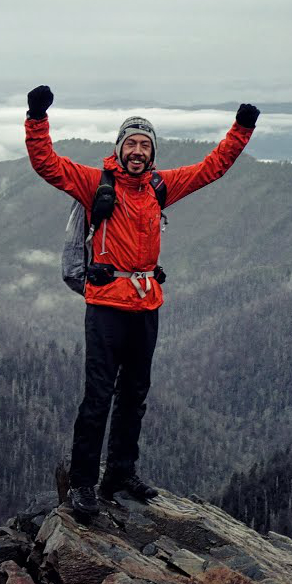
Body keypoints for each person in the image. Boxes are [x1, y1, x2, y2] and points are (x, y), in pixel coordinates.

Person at [25, 85, 258, 515]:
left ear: (152, 152)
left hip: (146, 305)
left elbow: (212, 168)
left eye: (144, 145)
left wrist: (241, 130)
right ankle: (82, 483)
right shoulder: (96, 183)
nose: (137, 151)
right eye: (131, 143)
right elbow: (47, 164)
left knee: (134, 394)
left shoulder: (159, 186)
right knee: (98, 396)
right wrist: (37, 117)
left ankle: (120, 473)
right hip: (106, 307)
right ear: (119, 148)